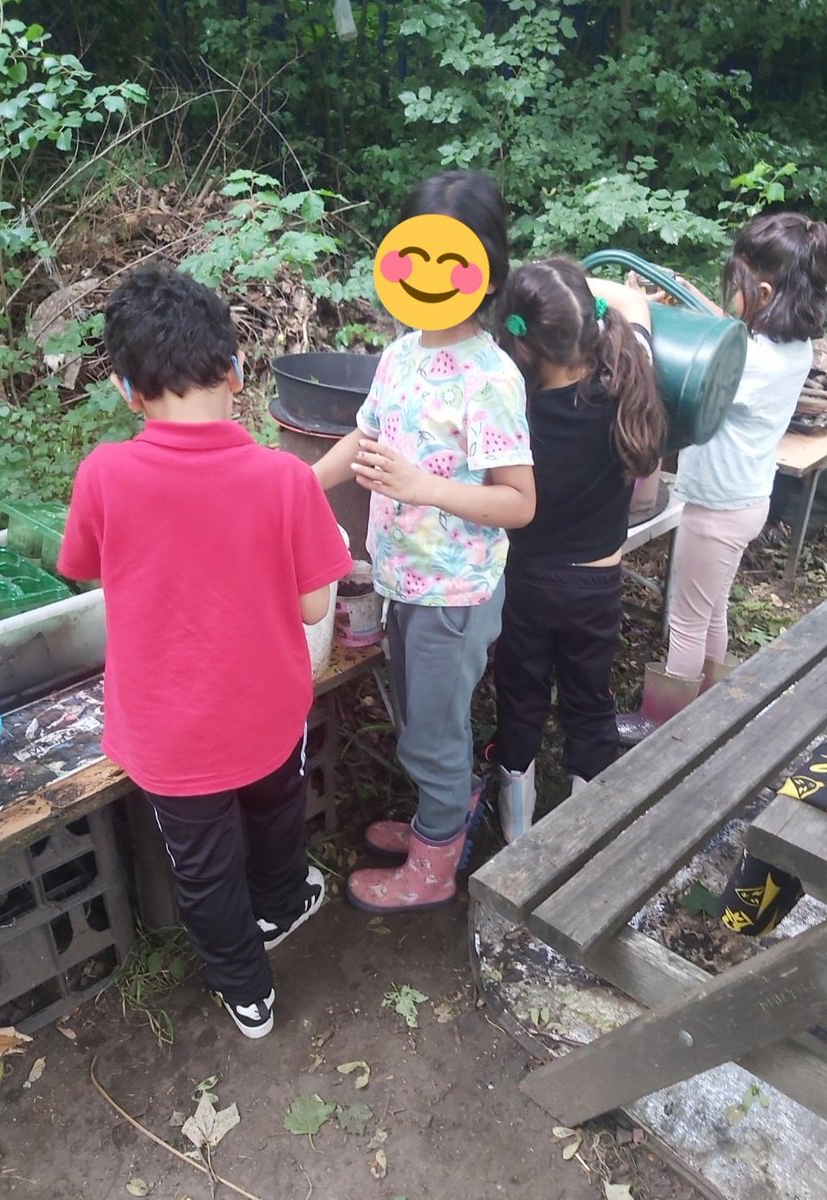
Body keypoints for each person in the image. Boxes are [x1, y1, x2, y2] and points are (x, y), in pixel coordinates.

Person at [58, 268, 352, 1039]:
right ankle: (285, 906)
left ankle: (246, 990)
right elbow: (315, 605)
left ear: (127, 389)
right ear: (237, 368)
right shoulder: (284, 479)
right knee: (277, 814)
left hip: (167, 732)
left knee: (205, 867)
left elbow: (87, 566)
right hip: (266, 714)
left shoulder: (103, 474)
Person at [314, 169, 536, 912]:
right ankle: (439, 817)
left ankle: (435, 865)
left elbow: (518, 502)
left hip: (456, 591)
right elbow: (364, 433)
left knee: (432, 733)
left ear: (486, 271)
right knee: (417, 718)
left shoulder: (490, 377)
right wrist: (293, 489)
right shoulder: (404, 350)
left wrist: (421, 487)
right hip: (401, 578)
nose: (432, 276)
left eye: (454, 260)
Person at [617, 211, 827, 743]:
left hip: (716, 507)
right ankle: (709, 708)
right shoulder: (789, 347)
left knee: (687, 619)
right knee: (710, 608)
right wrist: (696, 301)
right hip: (743, 499)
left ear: (761, 291)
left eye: (734, 287)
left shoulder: (751, 362)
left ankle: (661, 725)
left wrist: (639, 323)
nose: (730, 294)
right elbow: (730, 333)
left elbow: (686, 372)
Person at [490, 259, 665, 840]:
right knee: (590, 704)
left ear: (521, 345)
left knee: (520, 700)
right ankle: (586, 838)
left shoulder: (515, 410)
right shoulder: (629, 377)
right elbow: (633, 305)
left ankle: (518, 836)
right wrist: (581, 294)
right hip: (597, 586)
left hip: (529, 584)